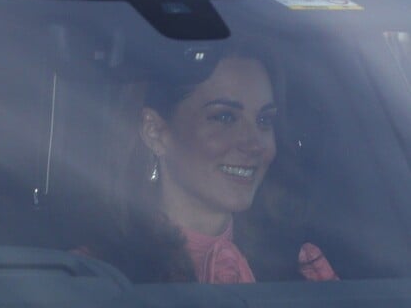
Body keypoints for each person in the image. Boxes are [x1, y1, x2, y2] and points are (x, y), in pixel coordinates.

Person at [74, 45, 338, 284]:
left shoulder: (302, 266)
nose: (254, 144)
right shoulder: (94, 278)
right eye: (224, 117)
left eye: (264, 121)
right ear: (155, 132)